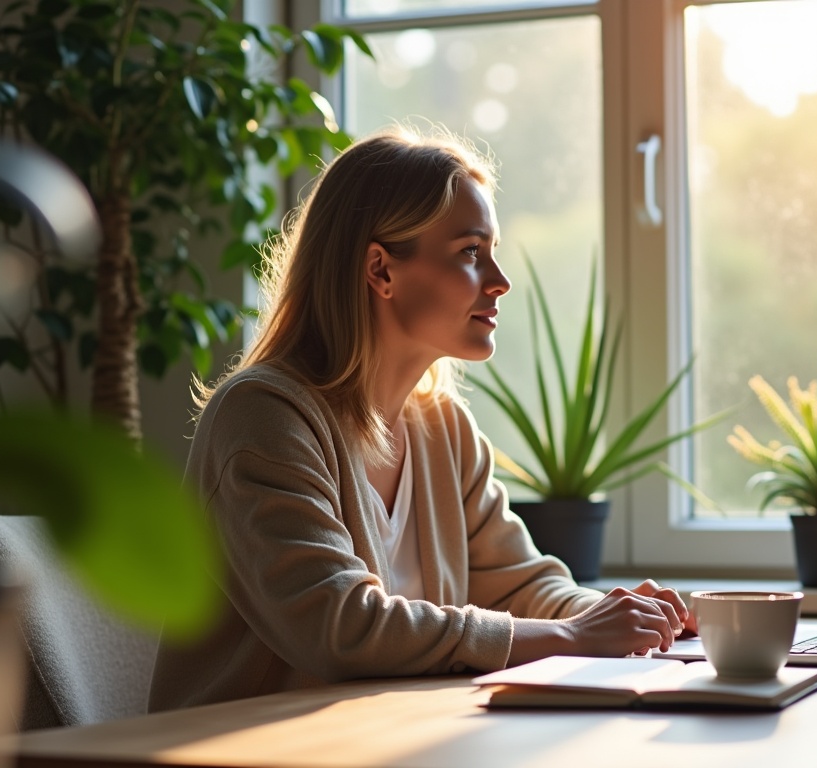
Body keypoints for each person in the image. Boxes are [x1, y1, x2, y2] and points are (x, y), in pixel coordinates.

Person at [148, 126, 694, 712]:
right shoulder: (263, 417)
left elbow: (521, 585)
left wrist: (621, 616)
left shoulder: (443, 430)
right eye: (470, 252)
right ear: (380, 270)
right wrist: (572, 637)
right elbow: (340, 626)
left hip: (393, 741)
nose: (500, 281)